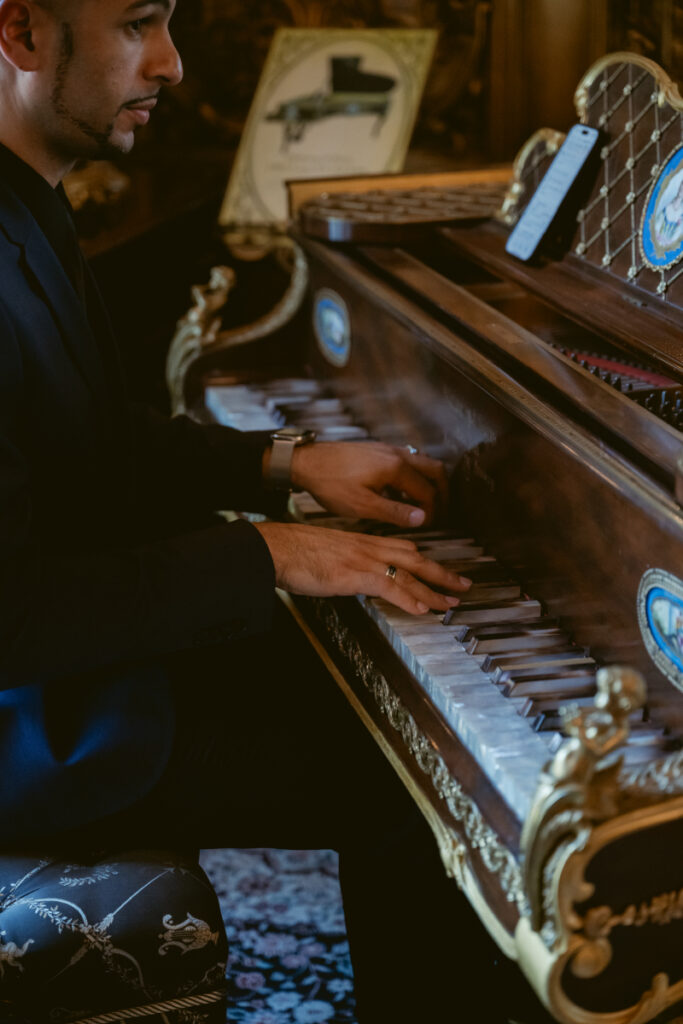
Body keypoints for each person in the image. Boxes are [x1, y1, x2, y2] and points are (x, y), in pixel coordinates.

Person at [0, 2, 556, 1022]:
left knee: (375, 696)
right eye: (138, 24)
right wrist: (270, 552)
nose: (171, 62)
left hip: (70, 674)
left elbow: (87, 447)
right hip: (36, 729)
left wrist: (281, 460)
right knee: (411, 780)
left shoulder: (24, 198)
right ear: (23, 35)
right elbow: (15, 614)